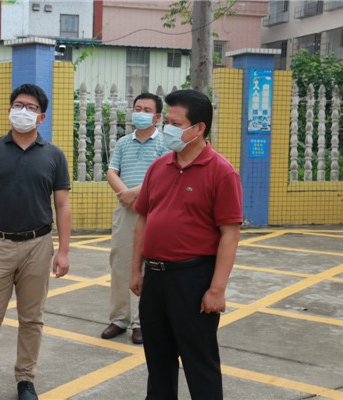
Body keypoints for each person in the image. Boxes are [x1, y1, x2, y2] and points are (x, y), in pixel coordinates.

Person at [0, 83, 71, 400]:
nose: (23, 111)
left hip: (38, 245)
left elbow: (62, 204)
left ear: (41, 117)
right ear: (8, 110)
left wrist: (63, 251)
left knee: (31, 320)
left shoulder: (54, 155)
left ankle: (26, 381)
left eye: (31, 108)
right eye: (18, 105)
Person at [129, 89, 243, 400]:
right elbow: (142, 221)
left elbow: (230, 234)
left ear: (199, 128)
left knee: (199, 361)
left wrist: (217, 289)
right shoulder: (159, 167)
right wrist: (136, 271)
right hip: (155, 278)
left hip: (193, 279)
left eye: (175, 124)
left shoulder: (222, 172)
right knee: (158, 361)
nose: (167, 129)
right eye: (166, 122)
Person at [101, 93, 170, 344]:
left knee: (148, 267)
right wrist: (125, 195)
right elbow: (111, 172)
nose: (140, 113)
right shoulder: (123, 143)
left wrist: (135, 194)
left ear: (157, 116)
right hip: (125, 210)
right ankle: (119, 319)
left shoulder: (164, 143)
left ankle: (142, 322)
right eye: (137, 108)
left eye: (147, 109)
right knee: (119, 263)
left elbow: (163, 177)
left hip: (153, 212)